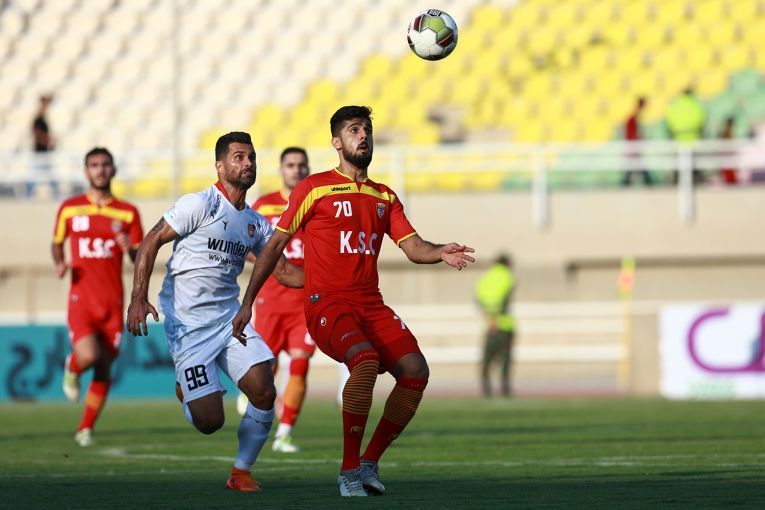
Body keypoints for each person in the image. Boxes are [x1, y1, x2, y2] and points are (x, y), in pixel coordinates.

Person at [232, 105, 475, 497]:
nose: (363, 136)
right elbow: (274, 246)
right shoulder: (314, 188)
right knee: (364, 361)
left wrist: (439, 251)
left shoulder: (384, 195)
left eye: (367, 130)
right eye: (353, 129)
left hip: (370, 305)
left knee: (415, 371)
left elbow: (413, 247)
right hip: (326, 304)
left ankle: (368, 462)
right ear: (336, 142)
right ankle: (348, 472)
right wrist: (248, 303)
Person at [126, 132, 304, 492]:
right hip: (188, 325)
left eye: (252, 157)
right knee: (210, 422)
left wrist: (333, 282)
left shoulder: (255, 223)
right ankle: (186, 388)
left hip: (228, 319)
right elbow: (151, 239)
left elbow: (284, 271)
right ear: (220, 166)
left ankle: (241, 472)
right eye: (239, 157)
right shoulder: (198, 204)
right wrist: (138, 296)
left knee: (264, 390)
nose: (248, 163)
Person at [53, 147, 143, 446]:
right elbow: (57, 242)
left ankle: (85, 427)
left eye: (105, 164)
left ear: (113, 170)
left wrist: (130, 247)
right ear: (86, 171)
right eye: (94, 165)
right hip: (82, 299)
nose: (100, 170)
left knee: (104, 366)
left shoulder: (128, 212)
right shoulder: (70, 208)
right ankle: (72, 367)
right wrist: (60, 262)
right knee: (89, 355)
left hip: (113, 301)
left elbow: (138, 256)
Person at [238, 147, 313, 453]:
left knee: (301, 363)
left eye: (301, 165)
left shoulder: (317, 202)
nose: (296, 170)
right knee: (266, 370)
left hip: (305, 301)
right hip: (270, 300)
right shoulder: (264, 205)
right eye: (290, 165)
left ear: (308, 169)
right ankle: (251, 398)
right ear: (282, 170)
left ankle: (284, 433)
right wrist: (269, 260)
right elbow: (245, 245)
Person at [474, 254, 516, 397]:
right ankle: (505, 389)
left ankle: (486, 389)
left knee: (487, 359)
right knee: (505, 359)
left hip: (489, 324)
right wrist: (496, 318)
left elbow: (479, 301)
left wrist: (490, 319)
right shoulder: (508, 277)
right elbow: (504, 300)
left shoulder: (484, 279)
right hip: (504, 324)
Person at [666, 87, 706, 184]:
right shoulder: (696, 104)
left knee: (679, 164)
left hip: (678, 139)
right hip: (693, 139)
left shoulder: (675, 105)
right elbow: (702, 121)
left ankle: (676, 182)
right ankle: (696, 182)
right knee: (693, 165)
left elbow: (669, 121)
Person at [30, 94, 58, 198]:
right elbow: (36, 134)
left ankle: (56, 193)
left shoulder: (42, 118)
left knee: (48, 175)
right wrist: (48, 141)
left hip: (44, 152)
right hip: (39, 152)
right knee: (34, 175)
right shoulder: (38, 119)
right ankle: (28, 195)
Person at [622, 97, 652, 186]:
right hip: (634, 146)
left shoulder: (634, 117)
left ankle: (626, 184)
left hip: (634, 146)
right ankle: (649, 183)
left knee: (633, 167)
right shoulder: (633, 118)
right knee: (637, 166)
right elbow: (632, 134)